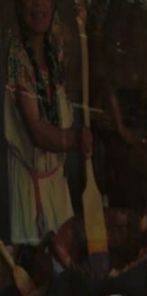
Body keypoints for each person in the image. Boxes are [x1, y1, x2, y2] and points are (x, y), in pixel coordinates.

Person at [5, 0, 92, 245]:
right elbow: (37, 131)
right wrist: (76, 139)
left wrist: (82, 24)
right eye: (30, 0)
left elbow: (68, 89)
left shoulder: (55, 48)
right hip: (32, 189)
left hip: (56, 183)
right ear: (20, 7)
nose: (38, 6)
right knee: (40, 272)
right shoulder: (17, 55)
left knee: (66, 264)